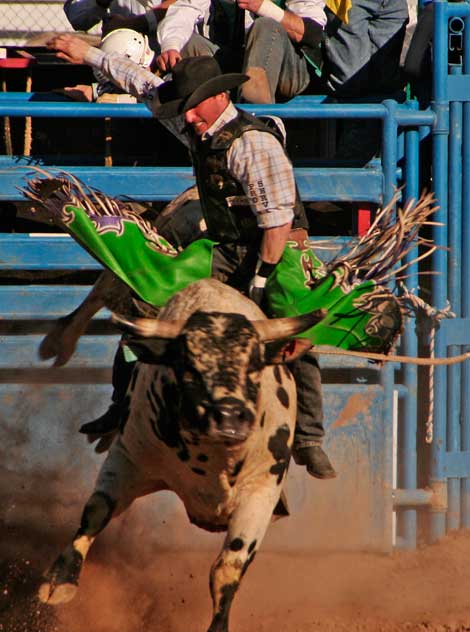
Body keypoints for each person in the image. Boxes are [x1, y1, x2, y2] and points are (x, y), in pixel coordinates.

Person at [47, 35, 337, 479]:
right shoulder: (200, 124)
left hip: (278, 250)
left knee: (293, 321)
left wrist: (258, 285)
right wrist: (87, 54)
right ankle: (122, 404)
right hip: (224, 246)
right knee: (145, 299)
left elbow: (276, 224)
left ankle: (310, 437)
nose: (186, 114)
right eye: (183, 105)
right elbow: (144, 84)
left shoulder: (254, 145)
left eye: (194, 105)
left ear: (220, 97)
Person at [155, 0, 326, 103]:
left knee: (265, 25)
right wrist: (171, 46)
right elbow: (186, 9)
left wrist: (264, 7)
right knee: (183, 41)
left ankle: (256, 120)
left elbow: (312, 33)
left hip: (289, 69)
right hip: (235, 62)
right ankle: (191, 129)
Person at [323, 0, 409, 163]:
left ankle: (371, 166)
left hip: (392, 5)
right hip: (351, 4)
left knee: (385, 86)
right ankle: (349, 168)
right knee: (352, 83)